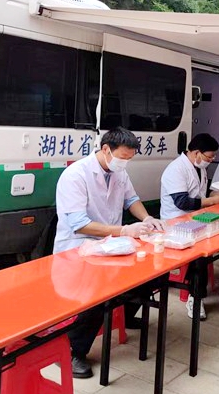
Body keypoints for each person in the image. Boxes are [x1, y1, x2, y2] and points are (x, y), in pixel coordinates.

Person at [54, 127, 166, 378]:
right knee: (94, 297)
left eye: (129, 159)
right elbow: (79, 224)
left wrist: (148, 218)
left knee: (148, 276)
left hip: (110, 244)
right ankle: (72, 352)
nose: (125, 163)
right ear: (106, 149)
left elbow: (131, 200)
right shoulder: (76, 175)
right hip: (79, 246)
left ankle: (126, 315)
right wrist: (124, 230)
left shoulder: (119, 172)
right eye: (122, 157)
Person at [160, 133, 219, 319]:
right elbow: (183, 202)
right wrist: (212, 201)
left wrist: (217, 196)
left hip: (195, 219)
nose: (211, 160)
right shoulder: (176, 169)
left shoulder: (199, 167)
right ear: (197, 153)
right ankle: (195, 298)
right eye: (209, 157)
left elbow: (199, 195)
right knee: (201, 254)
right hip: (176, 224)